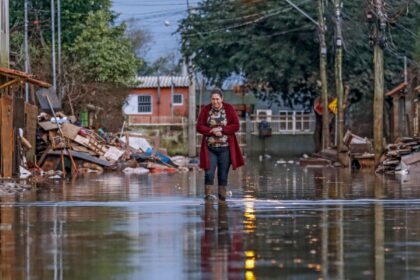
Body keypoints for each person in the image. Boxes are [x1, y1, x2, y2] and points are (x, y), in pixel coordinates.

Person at [197, 88, 245, 200]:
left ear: (222, 99)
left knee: (223, 175)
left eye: (217, 99)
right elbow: (199, 126)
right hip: (210, 148)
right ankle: (208, 196)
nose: (215, 102)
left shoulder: (229, 108)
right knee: (209, 173)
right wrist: (211, 130)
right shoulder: (205, 110)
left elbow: (236, 125)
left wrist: (222, 130)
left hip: (225, 149)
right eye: (213, 99)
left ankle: (222, 199)